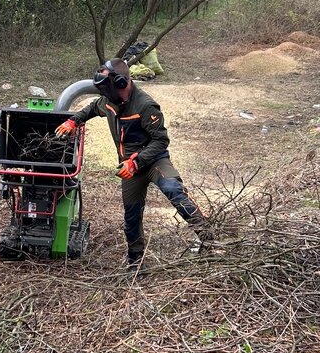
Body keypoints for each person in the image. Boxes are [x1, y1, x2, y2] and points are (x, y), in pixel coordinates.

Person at [55, 58, 210, 268]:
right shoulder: (109, 102)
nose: (104, 95)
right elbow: (93, 108)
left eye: (106, 89)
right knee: (131, 216)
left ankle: (209, 237)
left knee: (173, 189)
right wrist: (74, 120)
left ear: (121, 83)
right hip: (129, 169)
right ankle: (136, 262)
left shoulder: (145, 106)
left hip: (154, 162)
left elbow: (161, 140)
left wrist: (137, 162)